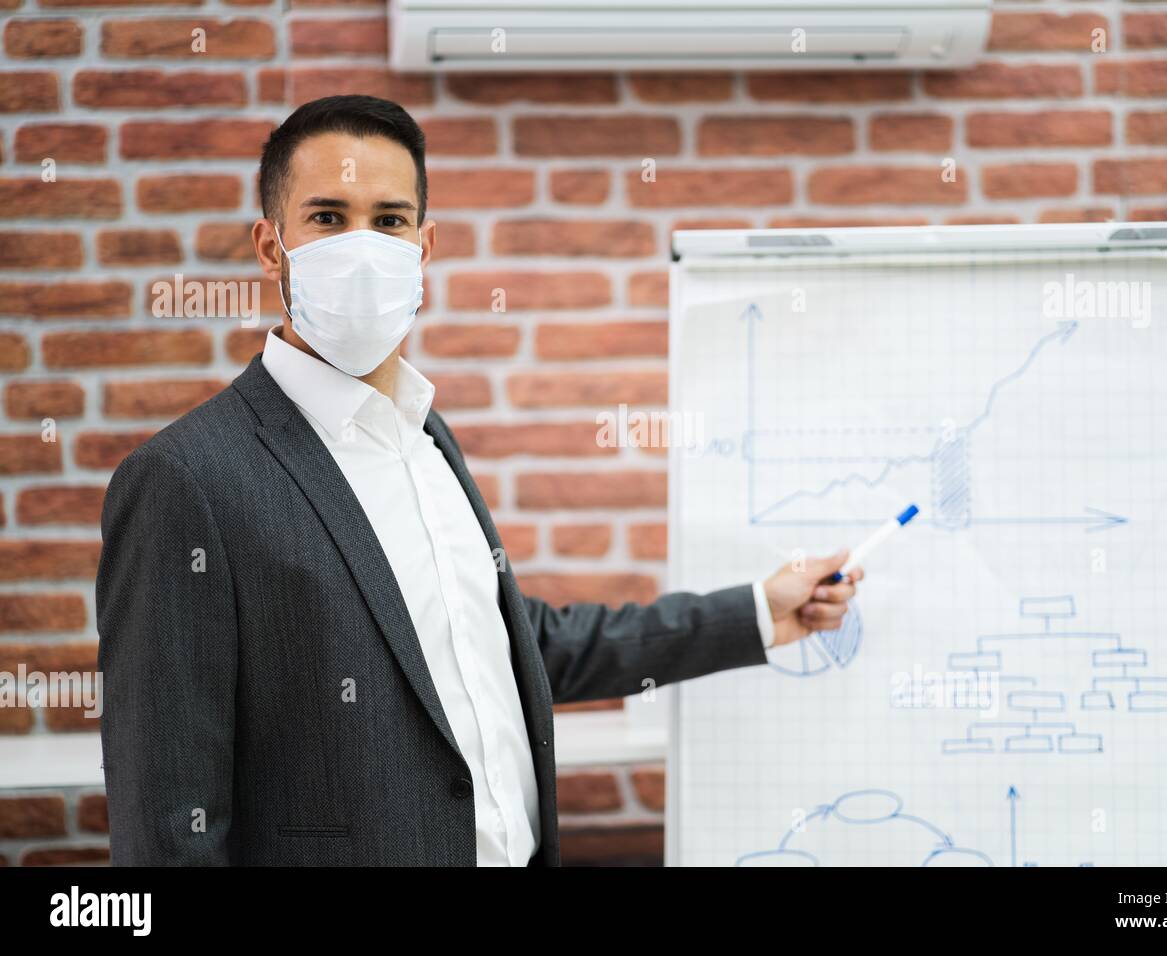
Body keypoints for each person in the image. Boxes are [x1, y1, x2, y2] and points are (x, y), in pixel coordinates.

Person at [95, 94, 863, 866]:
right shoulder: (184, 481)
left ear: (424, 247)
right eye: (328, 218)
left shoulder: (424, 435)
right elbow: (167, 825)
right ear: (271, 246)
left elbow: (514, 645)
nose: (362, 247)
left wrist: (758, 614)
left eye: (389, 220)